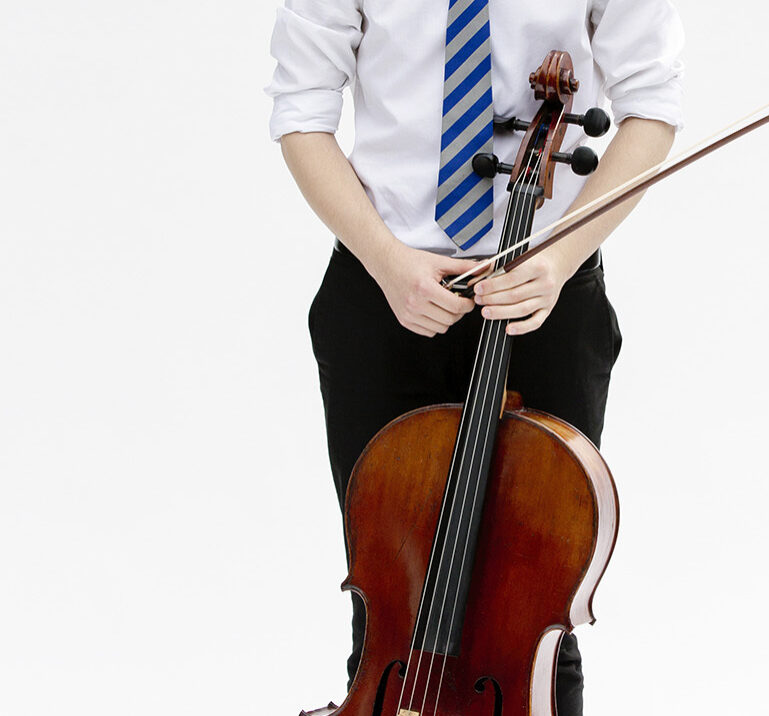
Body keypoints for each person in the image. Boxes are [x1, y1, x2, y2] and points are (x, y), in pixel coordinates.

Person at [263, 1, 685, 713]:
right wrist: (386, 260)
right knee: (387, 595)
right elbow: (302, 111)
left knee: (537, 598)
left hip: (544, 287)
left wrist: (560, 256)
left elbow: (651, 107)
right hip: (382, 286)